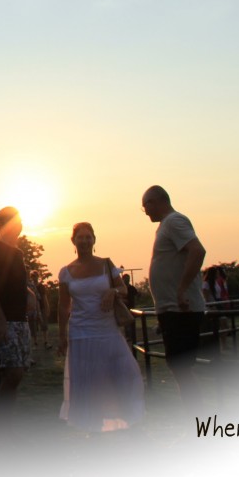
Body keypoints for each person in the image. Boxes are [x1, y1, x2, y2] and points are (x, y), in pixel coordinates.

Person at [57, 222, 144, 433]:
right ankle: (92, 426)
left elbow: (123, 288)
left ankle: (127, 418)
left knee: (126, 374)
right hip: (80, 332)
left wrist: (113, 291)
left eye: (89, 237)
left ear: (94, 240)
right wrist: (61, 336)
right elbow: (63, 305)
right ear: (73, 241)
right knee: (88, 383)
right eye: (80, 237)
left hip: (107, 330)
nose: (85, 241)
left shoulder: (106, 264)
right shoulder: (66, 272)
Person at [142, 185, 206, 411]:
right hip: (172, 310)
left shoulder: (174, 221)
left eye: (145, 206)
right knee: (179, 368)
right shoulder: (165, 226)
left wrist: (181, 290)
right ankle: (196, 421)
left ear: (157, 201)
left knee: (181, 368)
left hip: (182, 309)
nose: (145, 211)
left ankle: (198, 423)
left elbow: (197, 251)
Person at [0, 206, 30, 427]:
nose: (15, 225)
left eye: (17, 220)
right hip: (2, 321)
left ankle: (6, 428)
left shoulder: (18, 253)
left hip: (20, 320)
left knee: (16, 376)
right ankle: (1, 430)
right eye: (10, 221)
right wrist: (0, 319)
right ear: (0, 225)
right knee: (12, 372)